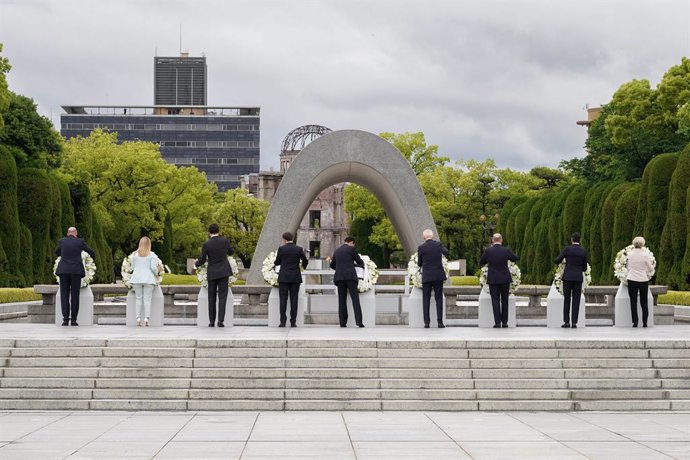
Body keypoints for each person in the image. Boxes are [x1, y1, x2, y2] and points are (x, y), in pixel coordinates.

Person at [54, 227, 96, 326]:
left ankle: (65, 319)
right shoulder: (80, 242)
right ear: (75, 233)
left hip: (63, 271)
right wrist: (92, 259)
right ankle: (73, 320)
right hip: (76, 271)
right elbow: (91, 252)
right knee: (75, 295)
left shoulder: (62, 241)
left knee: (64, 295)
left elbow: (56, 252)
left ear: (68, 233)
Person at [195, 224, 234, 327]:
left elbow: (202, 259)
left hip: (212, 272)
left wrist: (196, 264)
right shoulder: (225, 241)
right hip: (224, 271)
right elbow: (231, 252)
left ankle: (211, 321)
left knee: (211, 298)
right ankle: (221, 321)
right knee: (222, 297)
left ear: (209, 232)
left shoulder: (207, 244)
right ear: (218, 231)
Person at [479, 233, 519, 328]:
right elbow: (515, 258)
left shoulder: (488, 251)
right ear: (501, 240)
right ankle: (505, 322)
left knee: (495, 301)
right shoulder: (506, 250)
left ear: (493, 240)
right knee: (505, 300)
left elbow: (481, 262)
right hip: (505, 278)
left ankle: (497, 322)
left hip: (493, 279)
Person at [274, 231, 309, 327]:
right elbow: (305, 260)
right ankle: (293, 322)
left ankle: (283, 322)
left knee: (283, 300)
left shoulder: (281, 249)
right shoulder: (298, 249)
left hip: (284, 277)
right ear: (292, 238)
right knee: (294, 299)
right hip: (295, 277)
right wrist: (303, 267)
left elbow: (277, 262)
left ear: (284, 239)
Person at [554, 232, 588, 329]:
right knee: (576, 300)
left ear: (572, 240)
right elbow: (584, 268)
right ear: (579, 240)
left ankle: (566, 321)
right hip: (578, 278)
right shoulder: (583, 251)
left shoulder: (567, 249)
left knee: (567, 299)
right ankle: (574, 322)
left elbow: (557, 260)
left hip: (568, 277)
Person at [417, 229, 450, 328]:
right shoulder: (438, 245)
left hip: (427, 275)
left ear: (424, 237)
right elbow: (446, 252)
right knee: (438, 298)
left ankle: (427, 323)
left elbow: (419, 263)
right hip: (438, 275)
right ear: (432, 236)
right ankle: (440, 322)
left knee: (426, 299)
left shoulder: (421, 247)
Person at [330, 236, 365, 327]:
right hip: (350, 277)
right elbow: (360, 262)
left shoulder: (337, 251)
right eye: (353, 244)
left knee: (341, 300)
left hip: (340, 277)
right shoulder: (351, 250)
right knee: (355, 299)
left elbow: (332, 265)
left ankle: (343, 322)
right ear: (351, 242)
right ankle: (359, 321)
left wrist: (340, 268)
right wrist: (353, 265)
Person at [130, 236, 160, 327]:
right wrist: (158, 270)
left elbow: (132, 268)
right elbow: (153, 269)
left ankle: (138, 318)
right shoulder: (152, 255)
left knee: (138, 299)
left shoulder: (134, 255)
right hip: (148, 279)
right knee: (147, 299)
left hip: (136, 279)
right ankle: (146, 318)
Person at [626, 236, 654, 327]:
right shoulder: (645, 255)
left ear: (634, 244)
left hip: (632, 279)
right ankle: (645, 322)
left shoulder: (629, 254)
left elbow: (628, 267)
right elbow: (650, 268)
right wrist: (645, 270)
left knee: (633, 301)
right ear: (643, 244)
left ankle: (635, 322)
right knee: (644, 301)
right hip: (643, 279)